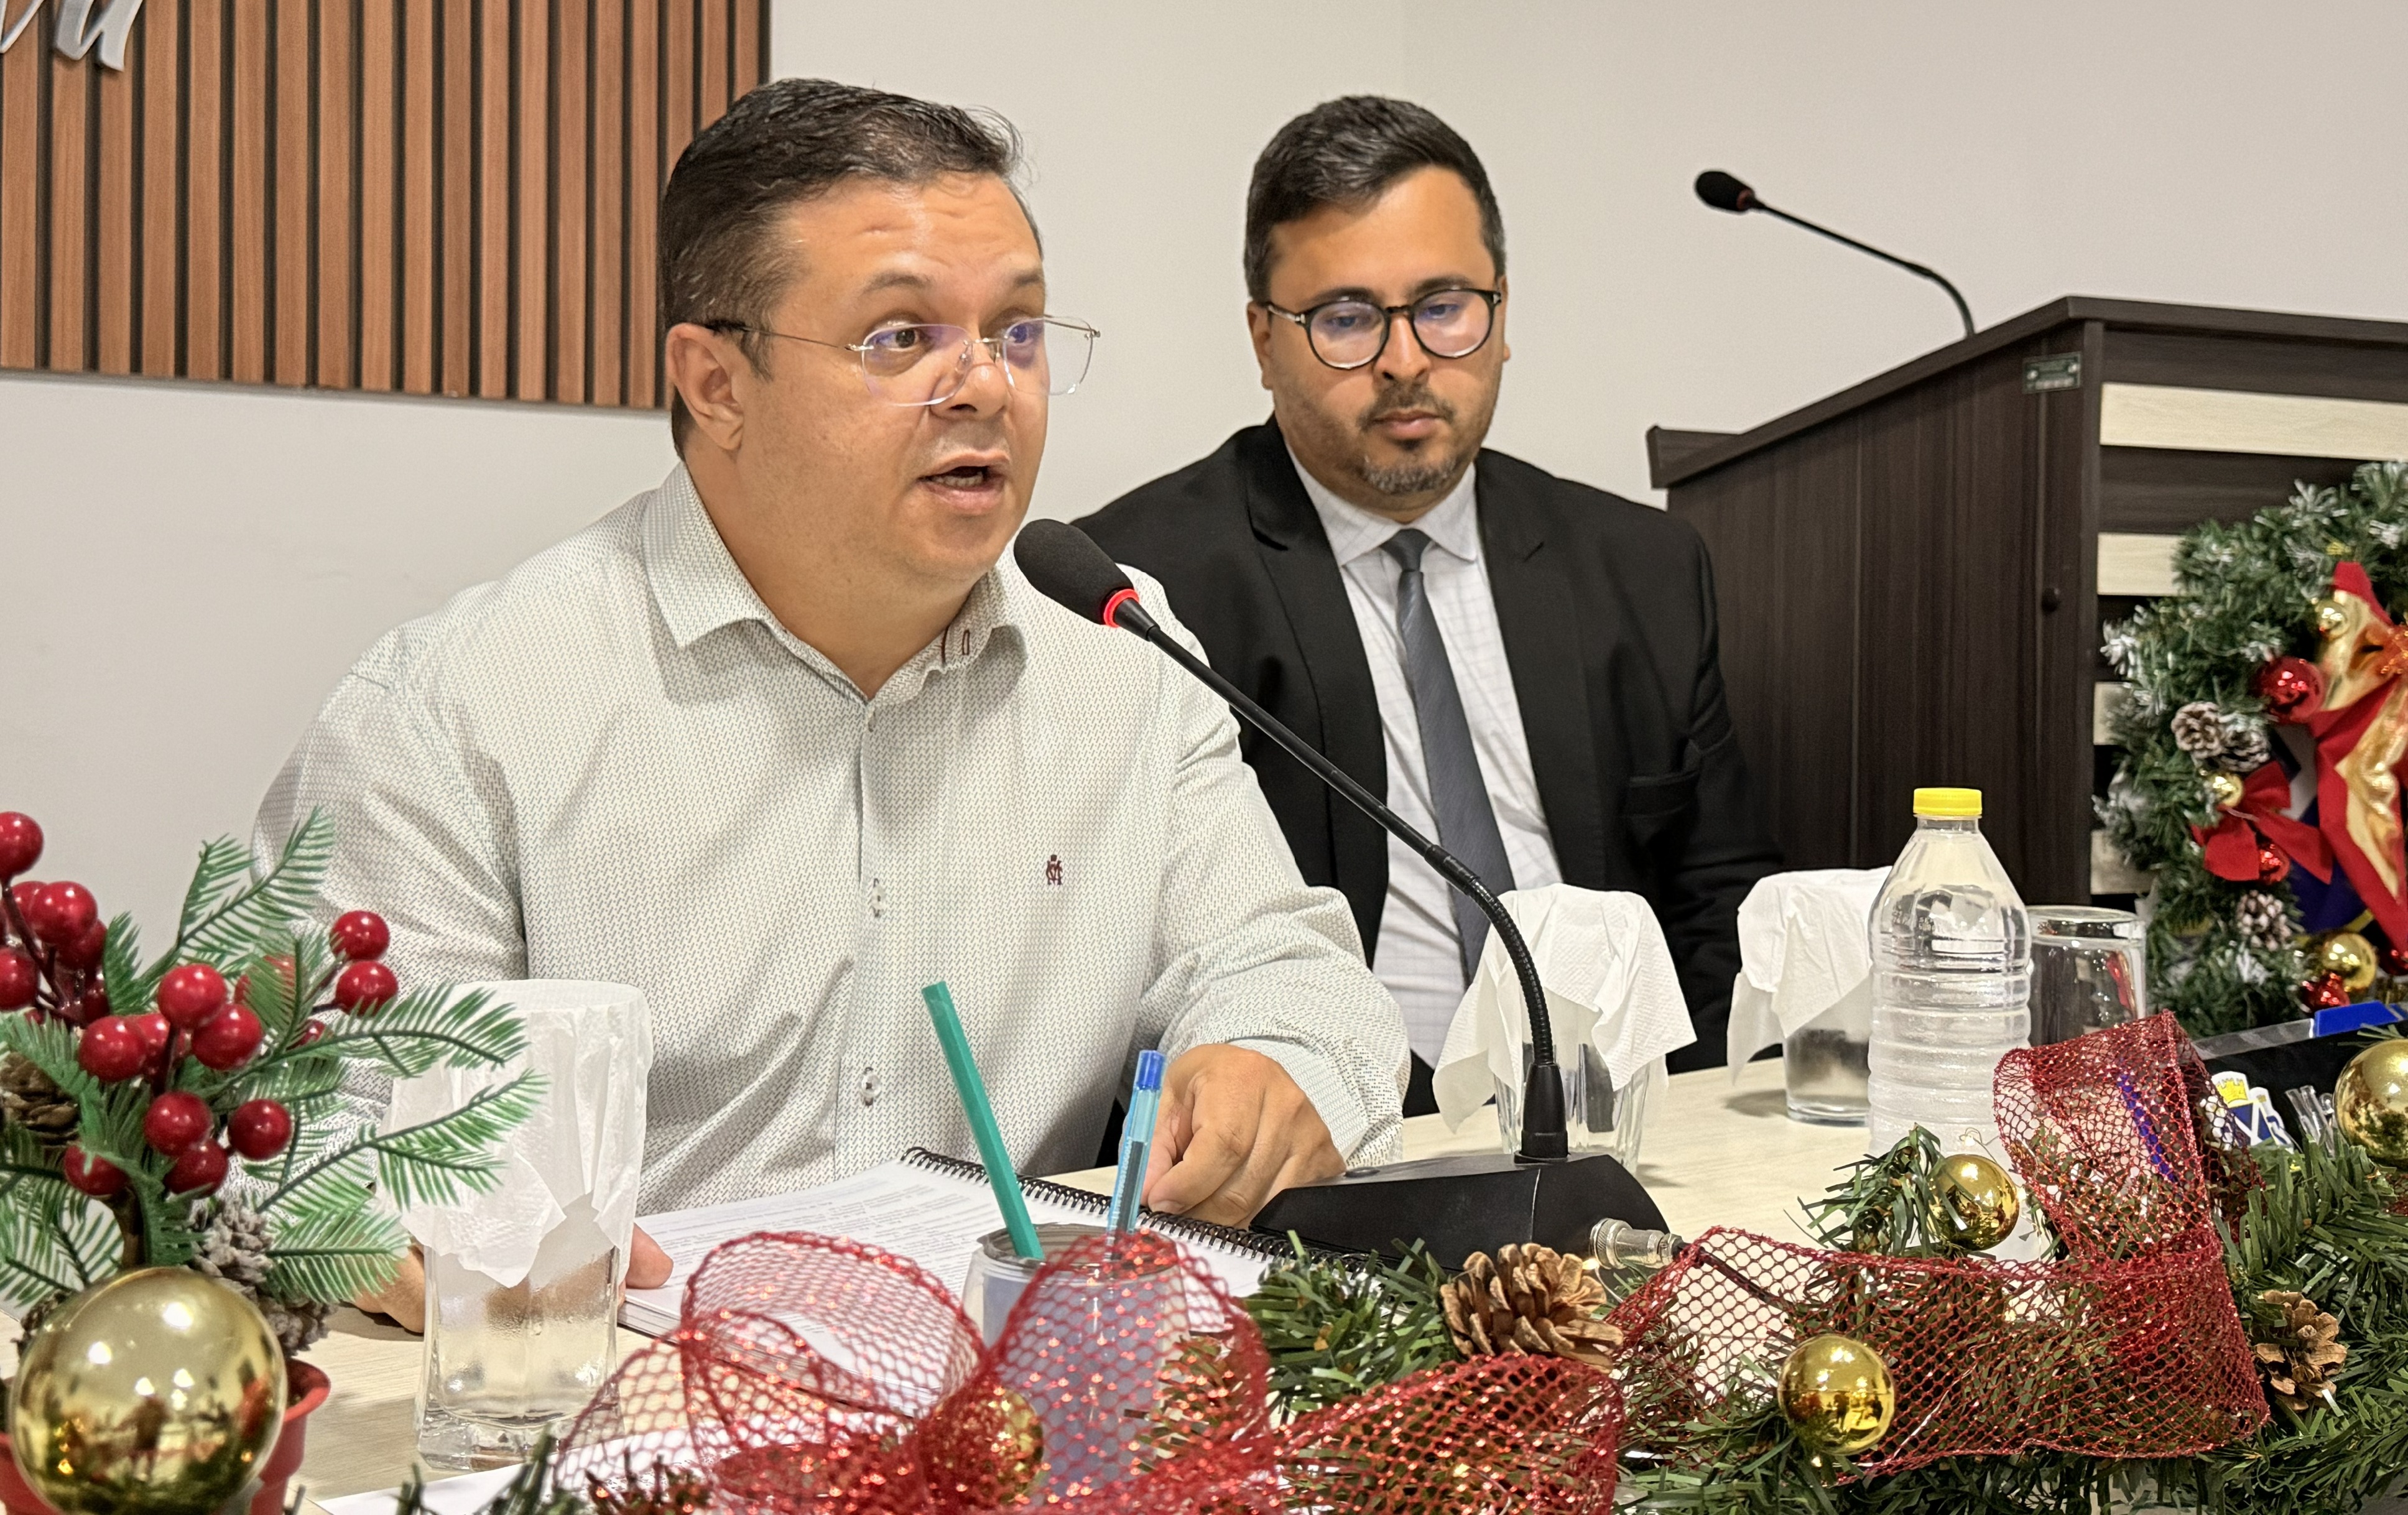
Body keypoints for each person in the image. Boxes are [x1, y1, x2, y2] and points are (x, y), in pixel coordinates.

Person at [257, 79, 1406, 1327]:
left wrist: (1270, 1065)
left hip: (1021, 1382)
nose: (986, 386)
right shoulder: (460, 712)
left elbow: (1290, 967)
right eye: (900, 338)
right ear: (715, 383)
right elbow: (302, 1135)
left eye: (1018, 331)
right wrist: (384, 1219)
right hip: (620, 1391)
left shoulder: (1120, 657)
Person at [1079, 95, 1778, 1109]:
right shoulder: (1144, 588)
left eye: (1444, 307)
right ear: (1264, 341)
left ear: (1502, 314)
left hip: (1625, 1124)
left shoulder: (1642, 566)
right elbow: (1129, 967)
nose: (1405, 363)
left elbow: (1724, 907)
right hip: (1340, 1136)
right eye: (1346, 319)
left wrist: (1701, 1131)